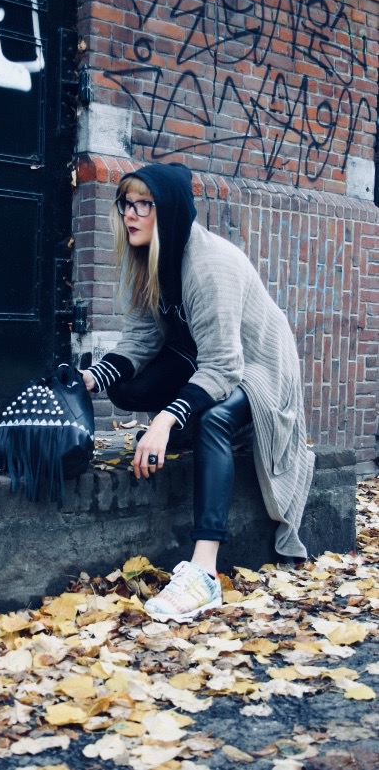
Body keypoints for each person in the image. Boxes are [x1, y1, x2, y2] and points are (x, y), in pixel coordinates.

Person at [81, 163, 315, 624]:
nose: (130, 214)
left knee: (213, 421)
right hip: (205, 358)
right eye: (126, 203)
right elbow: (141, 340)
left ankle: (204, 572)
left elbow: (226, 366)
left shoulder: (209, 265)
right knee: (126, 387)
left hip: (261, 368)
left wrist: (166, 420)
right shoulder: (148, 258)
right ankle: (189, 424)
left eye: (144, 204)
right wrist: (90, 379)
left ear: (167, 209)